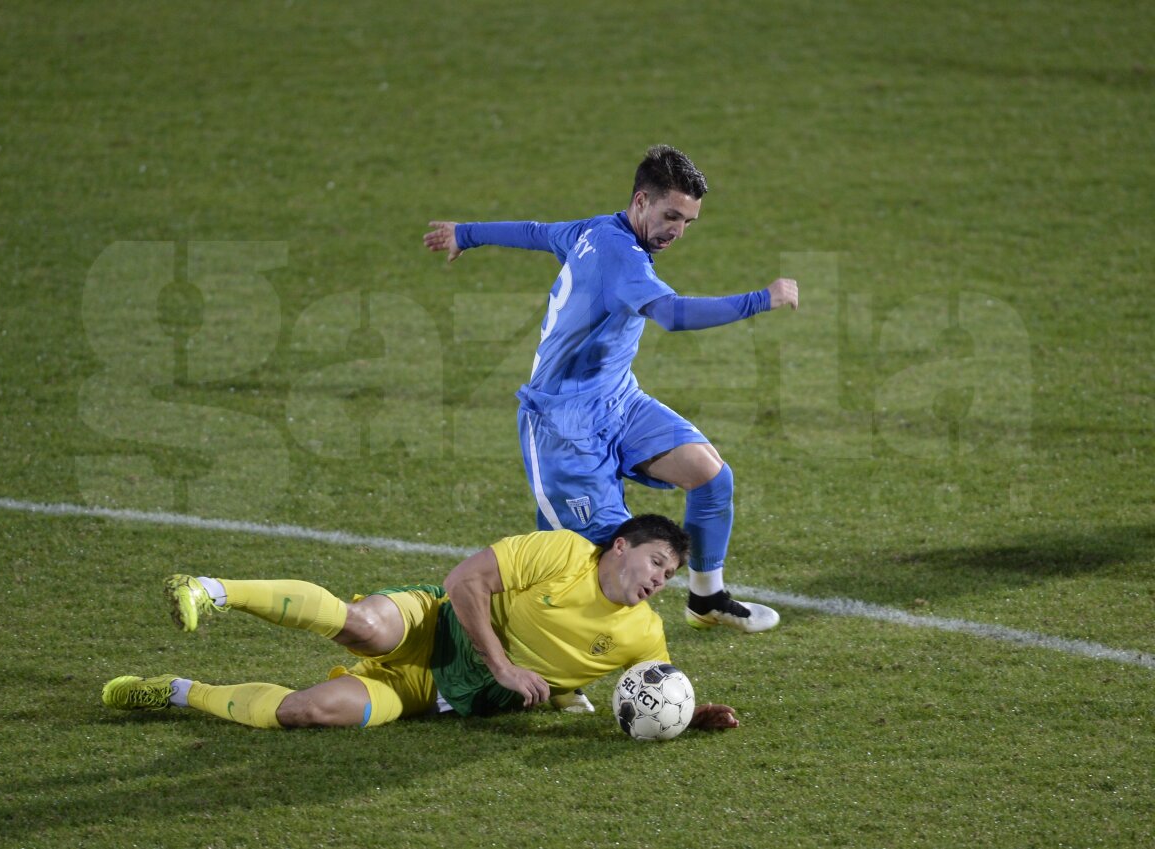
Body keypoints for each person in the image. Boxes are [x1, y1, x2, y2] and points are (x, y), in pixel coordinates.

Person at [424, 144, 798, 641]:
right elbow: (672, 315)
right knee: (598, 557)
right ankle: (520, 651)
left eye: (688, 222)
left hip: (618, 401)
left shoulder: (595, 230)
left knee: (711, 477)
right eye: (670, 216)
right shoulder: (621, 256)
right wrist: (762, 299)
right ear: (641, 201)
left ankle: (706, 600)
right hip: (563, 426)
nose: (677, 231)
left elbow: (537, 232)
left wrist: (466, 234)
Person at [102, 514, 739, 732]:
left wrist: (692, 716)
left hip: (432, 695)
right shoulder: (563, 553)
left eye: (669, 575)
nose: (659, 580)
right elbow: (464, 582)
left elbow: (650, 695)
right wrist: (503, 665)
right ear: (621, 547)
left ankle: (177, 691)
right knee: (364, 626)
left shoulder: (643, 635)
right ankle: (209, 589)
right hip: (437, 622)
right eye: (657, 563)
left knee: (306, 712)